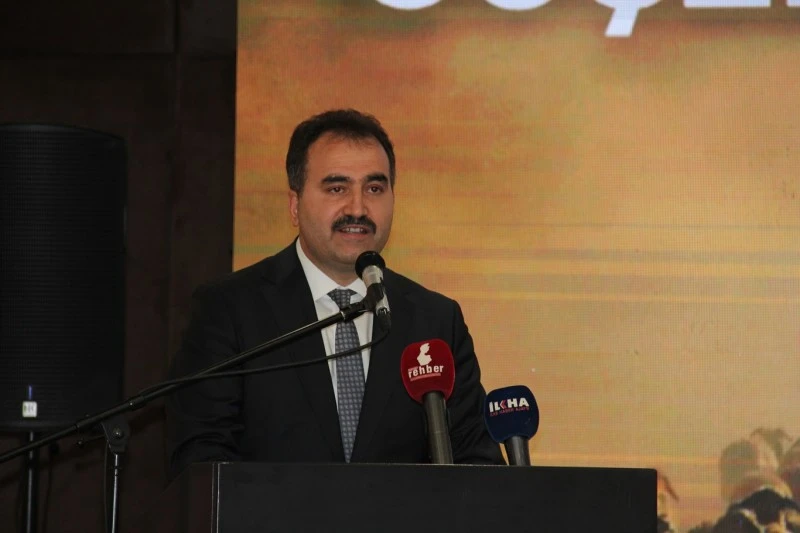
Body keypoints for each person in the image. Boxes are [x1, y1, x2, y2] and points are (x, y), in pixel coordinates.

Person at [165, 109, 504, 480]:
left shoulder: (435, 321)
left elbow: (477, 464)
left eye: (374, 189)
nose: (357, 208)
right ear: (294, 205)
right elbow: (201, 461)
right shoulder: (230, 309)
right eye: (337, 188)